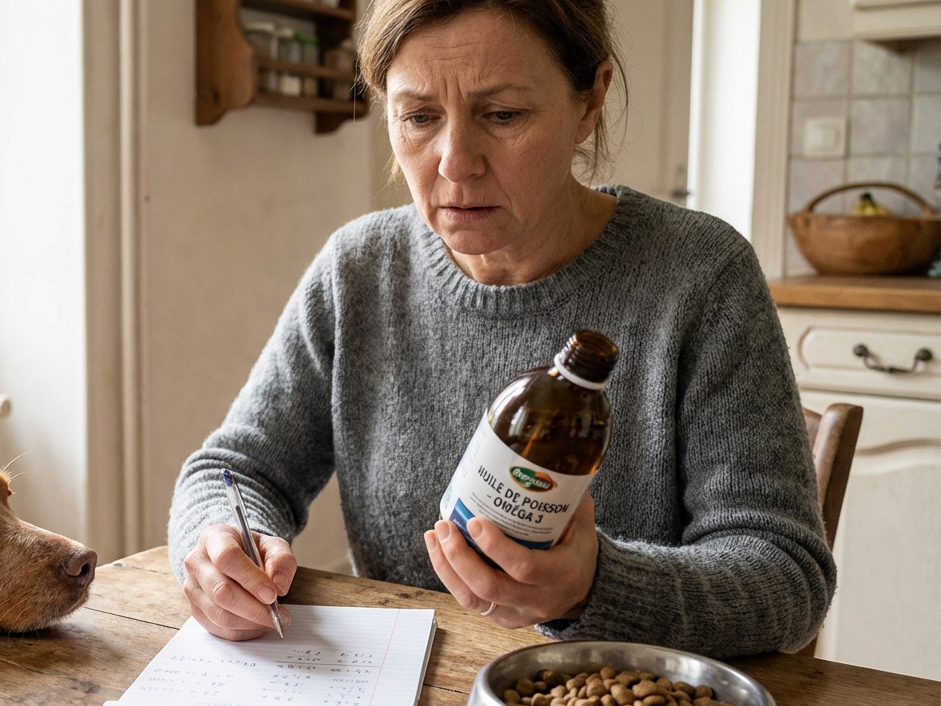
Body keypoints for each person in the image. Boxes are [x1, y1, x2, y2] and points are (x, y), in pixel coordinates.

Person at [168, 0, 835, 658]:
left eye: (503, 115)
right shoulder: (358, 269)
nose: (455, 161)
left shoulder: (700, 275)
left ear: (590, 100)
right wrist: (223, 541)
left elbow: (786, 578)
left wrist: (594, 585)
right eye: (419, 117)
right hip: (387, 702)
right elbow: (233, 470)